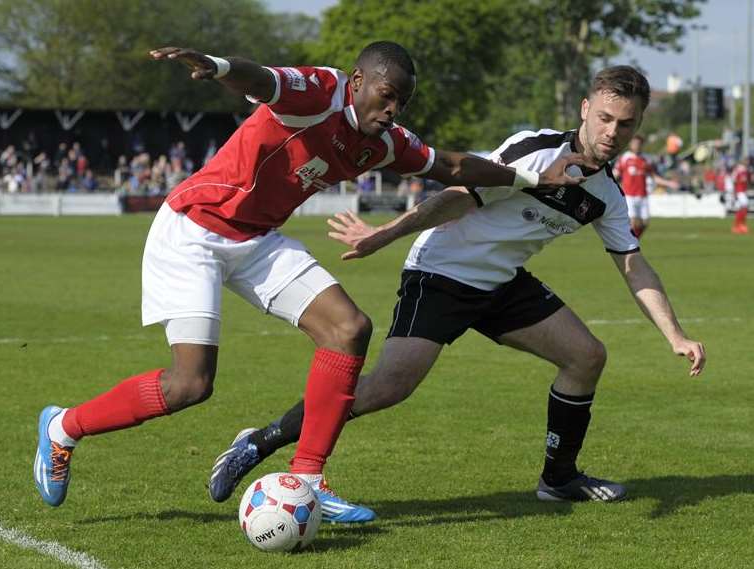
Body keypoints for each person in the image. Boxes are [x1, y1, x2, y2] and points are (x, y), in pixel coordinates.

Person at [33, 41, 588, 521]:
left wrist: (535, 176)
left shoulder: (385, 141)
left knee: (349, 329)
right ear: (357, 82)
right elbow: (265, 80)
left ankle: (309, 481)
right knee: (190, 385)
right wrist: (220, 66)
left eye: (402, 102)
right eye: (385, 95)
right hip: (193, 231)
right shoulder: (320, 92)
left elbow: (455, 168)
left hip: (256, 240)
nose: (392, 109)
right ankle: (64, 427)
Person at [214, 66, 707, 512]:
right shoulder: (537, 151)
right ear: (585, 109)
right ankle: (259, 441)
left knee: (586, 357)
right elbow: (456, 197)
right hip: (442, 274)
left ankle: (559, 480)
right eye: (605, 118)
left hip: (503, 284)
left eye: (626, 124)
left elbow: (634, 266)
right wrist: (382, 235)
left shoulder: (606, 195)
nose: (612, 132)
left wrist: (675, 335)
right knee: (387, 389)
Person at [614, 134, 678, 238]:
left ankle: (633, 241)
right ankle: (629, 244)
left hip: (643, 195)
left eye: (639, 143)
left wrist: (669, 183)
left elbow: (655, 177)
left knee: (645, 222)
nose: (637, 145)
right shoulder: (625, 158)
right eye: (634, 143)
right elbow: (615, 174)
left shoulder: (646, 159)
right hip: (629, 195)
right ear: (631, 144)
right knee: (634, 222)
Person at [730, 159, 750, 234]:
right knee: (744, 205)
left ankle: (739, 225)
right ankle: (739, 225)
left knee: (742, 207)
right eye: (746, 161)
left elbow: (745, 182)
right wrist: (734, 191)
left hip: (743, 191)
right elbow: (733, 180)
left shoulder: (745, 170)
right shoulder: (738, 170)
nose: (747, 162)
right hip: (739, 191)